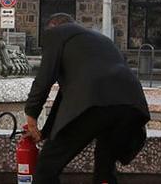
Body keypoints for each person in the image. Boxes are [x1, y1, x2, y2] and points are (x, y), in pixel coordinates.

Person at [24, 13, 150, 184]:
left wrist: (31, 115)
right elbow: (68, 96)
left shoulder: (57, 33)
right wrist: (46, 132)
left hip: (96, 103)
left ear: (54, 26)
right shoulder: (100, 40)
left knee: (47, 166)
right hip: (132, 105)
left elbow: (44, 78)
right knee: (105, 166)